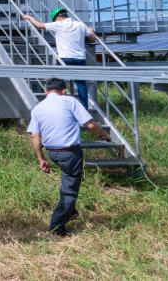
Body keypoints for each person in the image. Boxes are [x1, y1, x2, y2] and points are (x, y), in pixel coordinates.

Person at [27, 77, 111, 236]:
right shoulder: (70, 101)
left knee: (68, 180)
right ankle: (57, 227)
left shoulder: (38, 108)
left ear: (46, 92)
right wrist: (105, 135)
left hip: (52, 152)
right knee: (70, 190)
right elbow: (90, 124)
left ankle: (70, 211)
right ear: (63, 91)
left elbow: (34, 136)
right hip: (70, 152)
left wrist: (41, 158)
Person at [22, 8, 98, 108]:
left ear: (57, 18)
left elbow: (39, 25)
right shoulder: (80, 25)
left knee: (56, 81)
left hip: (65, 58)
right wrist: (89, 30)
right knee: (81, 84)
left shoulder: (58, 25)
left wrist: (28, 17)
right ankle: (84, 108)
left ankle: (58, 104)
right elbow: (93, 37)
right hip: (80, 59)